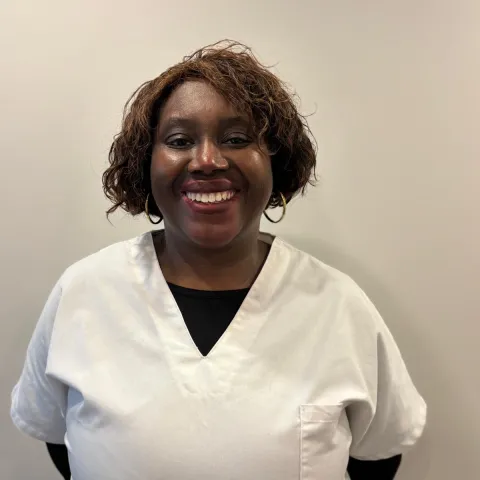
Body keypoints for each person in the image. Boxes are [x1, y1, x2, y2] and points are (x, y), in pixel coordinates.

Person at [10, 41, 426, 480]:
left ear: (277, 160)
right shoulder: (83, 292)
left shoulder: (338, 305)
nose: (207, 161)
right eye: (179, 141)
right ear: (145, 164)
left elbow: (379, 456)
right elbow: (59, 438)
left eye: (236, 139)